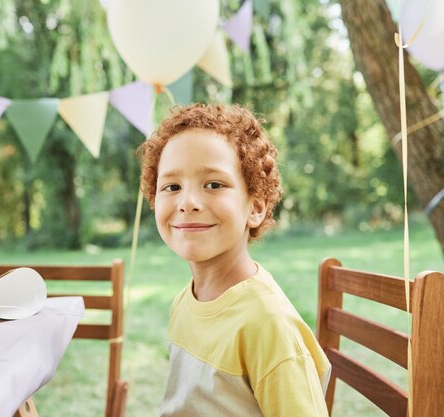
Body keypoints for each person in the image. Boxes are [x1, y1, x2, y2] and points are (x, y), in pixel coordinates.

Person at [137, 103, 331, 416]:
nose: (188, 202)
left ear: (255, 207)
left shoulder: (267, 324)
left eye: (214, 184)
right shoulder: (184, 302)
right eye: (172, 186)